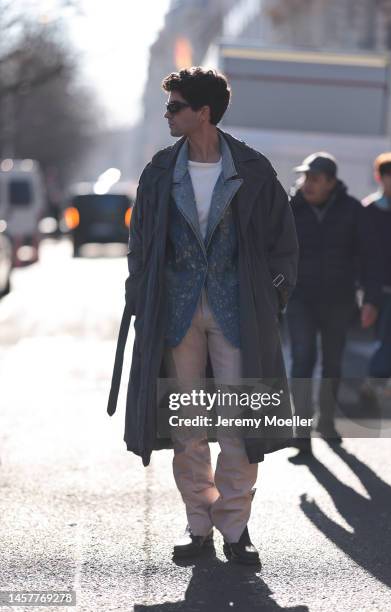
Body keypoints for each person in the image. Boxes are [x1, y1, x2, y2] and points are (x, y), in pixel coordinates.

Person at [107, 67, 298, 564]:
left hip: (239, 313)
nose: (167, 114)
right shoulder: (158, 171)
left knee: (240, 425)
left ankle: (235, 529)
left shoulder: (252, 169)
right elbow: (141, 243)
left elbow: (284, 244)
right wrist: (140, 291)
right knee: (188, 427)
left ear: (203, 113)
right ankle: (199, 526)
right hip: (176, 314)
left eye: (175, 107)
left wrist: (271, 297)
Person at [287, 152, 382, 458]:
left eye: (315, 179)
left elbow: (370, 257)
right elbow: (273, 252)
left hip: (338, 300)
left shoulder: (353, 211)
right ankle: (301, 434)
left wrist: (371, 299)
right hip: (300, 298)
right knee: (301, 361)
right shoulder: (292, 209)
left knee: (332, 363)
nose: (307, 184)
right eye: (305, 178)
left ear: (330, 182)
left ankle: (326, 421)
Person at [362, 152, 391, 393]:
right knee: (386, 332)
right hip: (375, 286)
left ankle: (374, 380)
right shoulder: (368, 209)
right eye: (388, 174)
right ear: (379, 177)